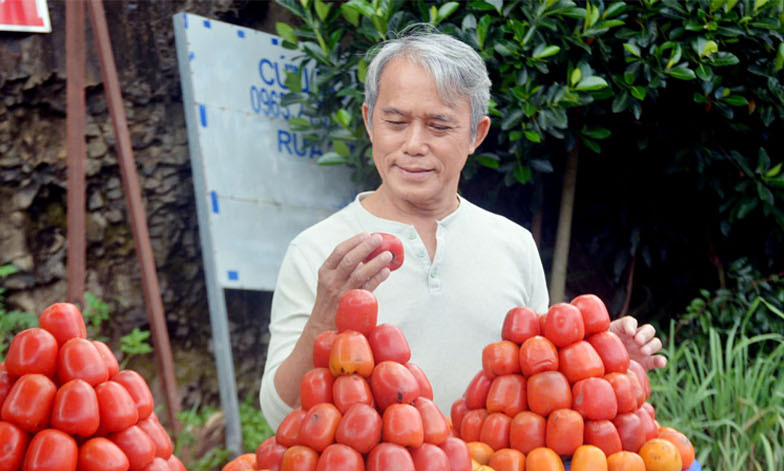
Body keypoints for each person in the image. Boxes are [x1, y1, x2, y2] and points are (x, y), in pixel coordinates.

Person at [259, 29, 665, 431]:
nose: (413, 144)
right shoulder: (318, 250)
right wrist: (323, 319)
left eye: (439, 126)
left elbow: (541, 387)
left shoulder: (513, 245)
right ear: (369, 121)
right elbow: (279, 413)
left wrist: (599, 358)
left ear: (477, 134)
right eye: (395, 121)